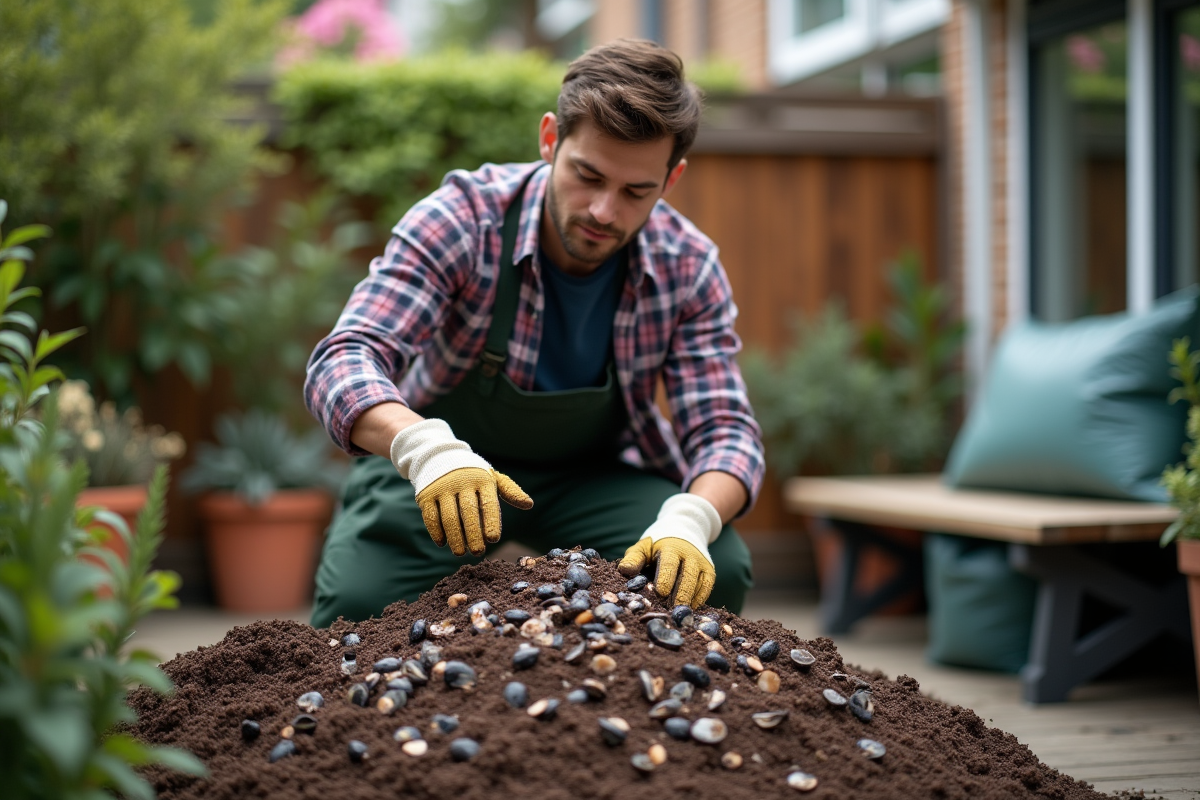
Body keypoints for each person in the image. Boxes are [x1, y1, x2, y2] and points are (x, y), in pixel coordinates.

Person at [305, 38, 764, 629]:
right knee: (355, 606)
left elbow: (726, 431)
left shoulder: (686, 265)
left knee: (716, 567)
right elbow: (345, 357)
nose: (603, 210)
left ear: (670, 179)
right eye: (587, 175)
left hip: (593, 479)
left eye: (635, 192)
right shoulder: (462, 219)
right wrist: (425, 450)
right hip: (446, 470)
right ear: (550, 139)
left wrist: (693, 518)